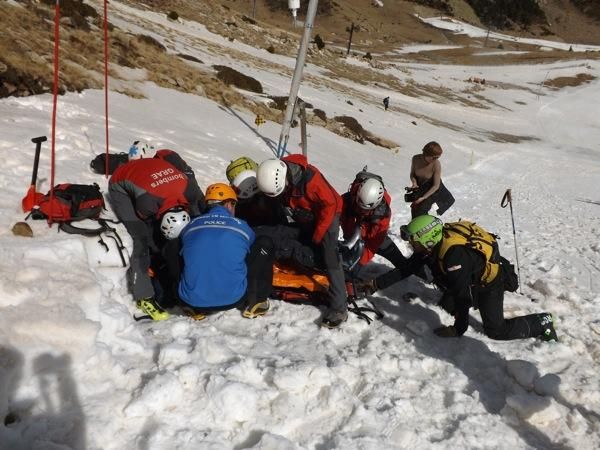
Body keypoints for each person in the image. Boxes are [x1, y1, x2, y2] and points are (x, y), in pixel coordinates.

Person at [358, 215, 558, 341]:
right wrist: (375, 284)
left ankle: (542, 321)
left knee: (496, 331)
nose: (412, 245)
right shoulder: (430, 247)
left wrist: (458, 329)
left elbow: (462, 296)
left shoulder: (454, 256)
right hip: (469, 274)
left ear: (427, 239)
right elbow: (408, 268)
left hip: (489, 282)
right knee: (448, 302)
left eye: (414, 241)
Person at [108, 140, 205, 320]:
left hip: (157, 176)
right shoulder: (147, 205)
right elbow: (145, 220)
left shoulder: (189, 190)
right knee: (139, 236)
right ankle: (144, 297)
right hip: (120, 182)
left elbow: (197, 206)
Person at [256, 156, 348, 328]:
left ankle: (340, 308)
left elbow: (331, 205)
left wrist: (318, 235)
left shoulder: (311, 181)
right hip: (305, 212)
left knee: (330, 256)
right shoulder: (274, 172)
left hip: (329, 214)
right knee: (285, 232)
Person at [176, 183, 273, 319]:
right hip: (233, 298)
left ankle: (186, 304)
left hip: (192, 300)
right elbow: (250, 247)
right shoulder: (240, 225)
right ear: (228, 204)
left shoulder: (191, 224)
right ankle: (257, 301)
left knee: (175, 246)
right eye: (234, 205)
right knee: (265, 243)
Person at [340, 170, 407, 276]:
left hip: (372, 230)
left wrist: (359, 264)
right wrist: (349, 239)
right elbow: (340, 221)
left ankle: (409, 270)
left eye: (365, 210)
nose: (362, 211)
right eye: (360, 207)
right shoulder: (346, 200)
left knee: (396, 257)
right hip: (354, 229)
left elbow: (374, 242)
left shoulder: (383, 214)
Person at [407, 141, 455, 218]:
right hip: (421, 186)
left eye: (438, 157)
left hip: (434, 189)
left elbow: (436, 186)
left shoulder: (436, 164)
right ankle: (416, 226)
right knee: (414, 208)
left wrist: (423, 197)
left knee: (422, 209)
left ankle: (425, 226)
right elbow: (412, 174)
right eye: (434, 157)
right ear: (426, 154)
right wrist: (414, 183)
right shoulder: (415, 159)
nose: (436, 159)